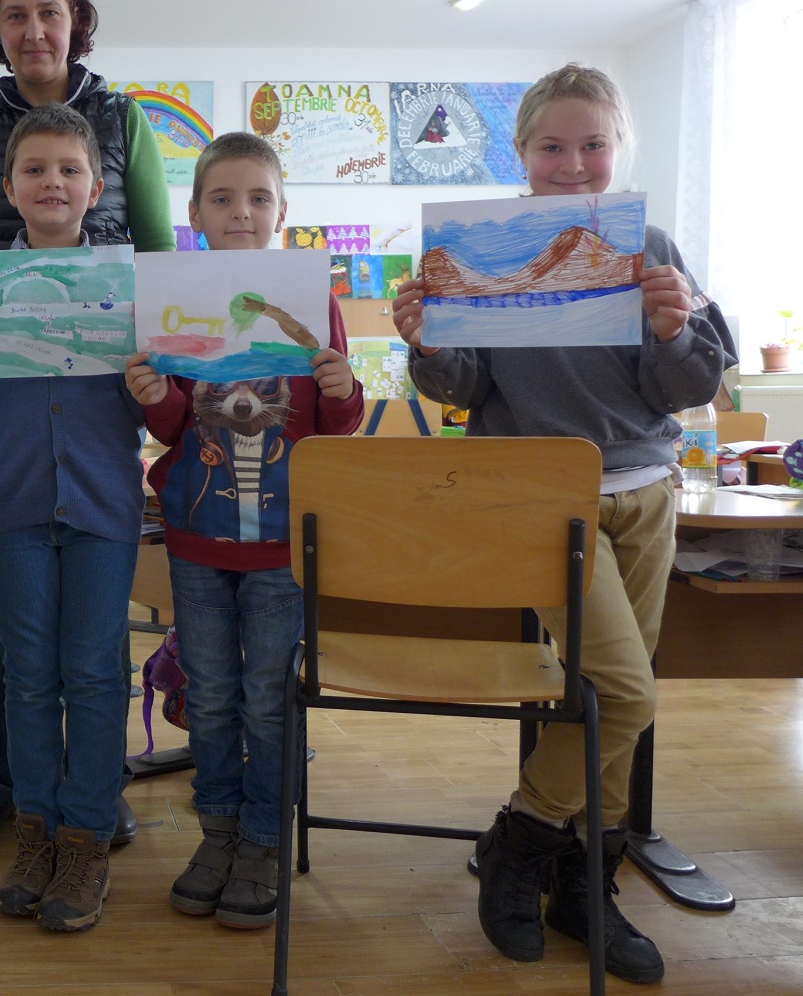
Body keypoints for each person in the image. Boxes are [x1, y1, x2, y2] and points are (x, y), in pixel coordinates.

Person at [390, 63, 734, 984]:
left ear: (619, 151)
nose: (573, 164)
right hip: (541, 495)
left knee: (608, 703)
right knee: (624, 695)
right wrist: (426, 343)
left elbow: (692, 387)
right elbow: (462, 389)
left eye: (593, 145)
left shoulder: (649, 241)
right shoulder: (482, 245)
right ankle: (522, 835)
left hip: (645, 491)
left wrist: (670, 331)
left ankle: (587, 888)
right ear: (523, 152)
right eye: (553, 146)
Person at [0, 0, 176, 851]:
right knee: (8, 598)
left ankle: (92, 791)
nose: (34, 30)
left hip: (104, 393)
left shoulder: (124, 118)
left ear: (75, 22)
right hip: (4, 388)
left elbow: (157, 251)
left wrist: (165, 370)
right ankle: (5, 783)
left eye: (50, 13)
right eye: (14, 16)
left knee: (94, 607)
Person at [125, 133, 363, 929]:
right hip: (198, 536)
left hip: (282, 543)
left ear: (282, 213)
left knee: (268, 697)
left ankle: (263, 836)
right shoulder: (177, 297)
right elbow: (169, 428)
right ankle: (217, 833)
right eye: (222, 199)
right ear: (194, 214)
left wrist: (340, 385)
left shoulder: (312, 294)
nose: (241, 212)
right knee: (215, 695)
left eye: (258, 198)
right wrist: (154, 392)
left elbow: (338, 424)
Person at [0, 104, 145, 933]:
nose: (52, 182)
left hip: (101, 505)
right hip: (15, 504)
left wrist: (149, 368)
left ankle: (87, 835)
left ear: (96, 187)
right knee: (27, 675)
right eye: (34, 169)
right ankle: (36, 828)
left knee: (95, 674)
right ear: (9, 186)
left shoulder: (130, 286)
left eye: (69, 169)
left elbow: (147, 408)